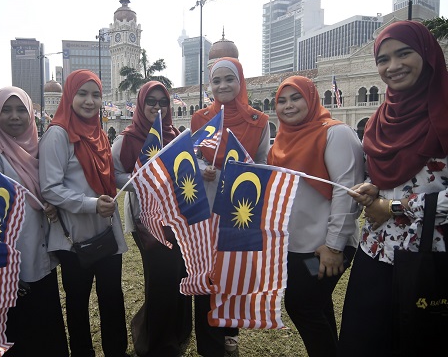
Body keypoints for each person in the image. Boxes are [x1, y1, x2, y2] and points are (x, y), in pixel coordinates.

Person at [338, 20, 448, 356]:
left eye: (404, 53)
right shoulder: (380, 118)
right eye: (383, 59)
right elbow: (386, 178)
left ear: (427, 55)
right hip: (377, 254)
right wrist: (374, 189)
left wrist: (396, 207)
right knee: (365, 341)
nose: (393, 66)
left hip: (432, 258)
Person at [267, 76, 363, 356]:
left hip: (326, 247)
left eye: (295, 98)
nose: (288, 106)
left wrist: (334, 246)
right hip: (295, 247)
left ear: (311, 99)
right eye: (281, 101)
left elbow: (348, 192)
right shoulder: (280, 143)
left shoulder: (336, 133)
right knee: (318, 305)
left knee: (302, 305)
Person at [39, 69, 129, 357]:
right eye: (82, 93)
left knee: (113, 298)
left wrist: (144, 178)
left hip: (105, 230)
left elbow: (110, 176)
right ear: (69, 95)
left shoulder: (99, 134)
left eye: (96, 95)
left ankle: (116, 351)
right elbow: (50, 188)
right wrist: (92, 204)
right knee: (78, 302)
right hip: (74, 236)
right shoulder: (58, 134)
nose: (90, 101)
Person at [0, 86, 68, 356]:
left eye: (21, 110)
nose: (14, 117)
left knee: (46, 324)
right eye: (6, 110)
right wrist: (3, 266)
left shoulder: (38, 151)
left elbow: (48, 192)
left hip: (43, 257)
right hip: (13, 264)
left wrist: (51, 206)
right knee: (21, 332)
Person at [190, 57, 270, 356]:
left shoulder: (258, 122)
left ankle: (230, 333)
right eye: (216, 81)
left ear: (241, 82)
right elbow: (191, 158)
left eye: (229, 79)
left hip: (239, 209)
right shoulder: (200, 119)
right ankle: (208, 345)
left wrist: (240, 174)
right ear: (210, 85)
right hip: (205, 208)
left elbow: (262, 164)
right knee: (205, 272)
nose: (223, 86)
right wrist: (201, 169)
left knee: (232, 272)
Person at [112, 81, 192, 357]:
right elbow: (116, 176)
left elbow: (187, 170)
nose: (157, 107)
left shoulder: (177, 136)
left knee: (180, 276)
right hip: (148, 223)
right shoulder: (128, 139)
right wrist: (146, 182)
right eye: (152, 101)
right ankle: (157, 344)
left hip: (178, 221)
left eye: (163, 102)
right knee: (161, 280)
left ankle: (177, 331)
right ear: (140, 104)